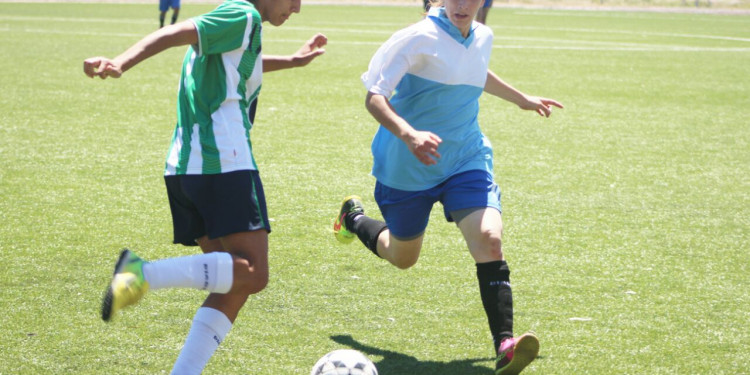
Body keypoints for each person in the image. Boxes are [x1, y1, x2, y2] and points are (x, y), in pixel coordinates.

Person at [83, 0, 327, 373]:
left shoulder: (240, 28)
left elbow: (240, 62)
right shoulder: (241, 14)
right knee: (253, 274)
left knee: (234, 283)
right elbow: (175, 31)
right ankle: (143, 274)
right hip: (222, 163)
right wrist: (121, 61)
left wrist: (292, 61)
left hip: (187, 166)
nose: (296, 7)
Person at [332, 0, 562, 374]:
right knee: (403, 257)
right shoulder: (415, 38)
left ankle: (505, 344)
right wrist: (409, 135)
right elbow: (374, 96)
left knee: (489, 238)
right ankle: (354, 218)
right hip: (407, 166)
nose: (462, 4)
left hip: (465, 158)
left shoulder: (483, 36)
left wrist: (522, 99)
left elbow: (475, 70)